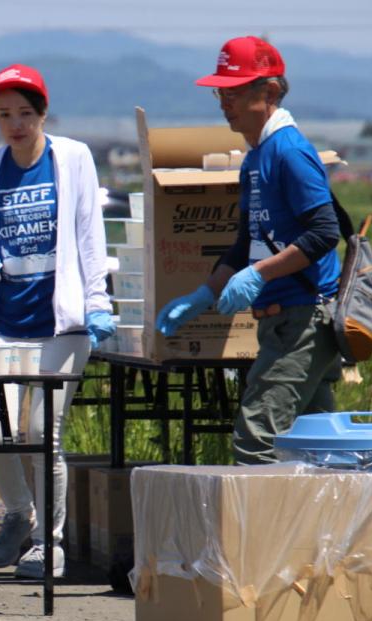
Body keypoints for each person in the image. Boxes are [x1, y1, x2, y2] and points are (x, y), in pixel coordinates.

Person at [155, 36, 342, 465]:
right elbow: (246, 242)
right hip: (282, 321)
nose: (225, 103)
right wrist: (204, 294)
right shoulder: (256, 157)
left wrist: (260, 275)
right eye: (221, 93)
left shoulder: (289, 152)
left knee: (256, 439)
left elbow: (324, 233)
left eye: (235, 92)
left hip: (302, 319)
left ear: (270, 91)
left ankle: (259, 516)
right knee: (317, 447)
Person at [0, 64, 114, 579]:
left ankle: (48, 544)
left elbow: (90, 233)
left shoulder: (72, 158)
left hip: (62, 323)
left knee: (40, 431)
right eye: (5, 114)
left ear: (43, 113)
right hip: (6, 322)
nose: (16, 124)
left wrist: (97, 302)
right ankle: (18, 512)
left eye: (25, 113)